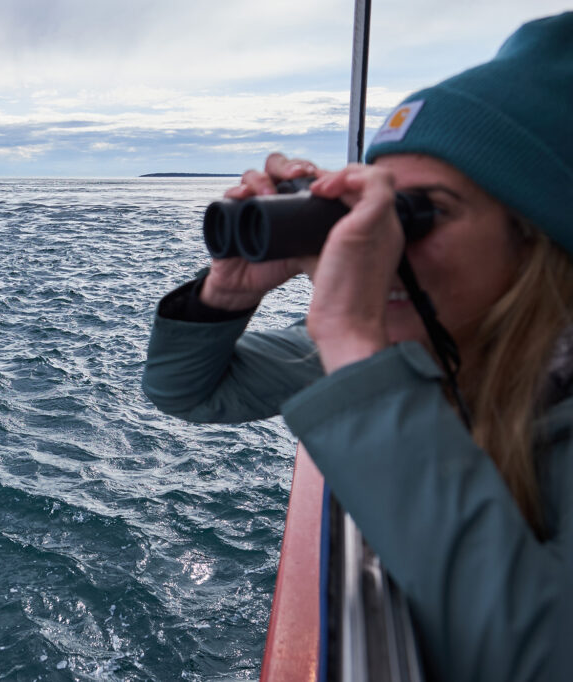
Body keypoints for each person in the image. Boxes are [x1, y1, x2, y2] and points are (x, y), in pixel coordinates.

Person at [142, 12, 573, 681]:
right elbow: (189, 391)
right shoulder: (411, 343)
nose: (382, 242)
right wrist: (228, 295)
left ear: (537, 236)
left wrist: (352, 340)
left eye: (417, 213)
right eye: (367, 212)